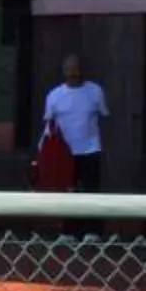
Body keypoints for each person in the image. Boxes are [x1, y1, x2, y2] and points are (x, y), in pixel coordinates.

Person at [42, 54, 109, 192]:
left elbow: (104, 116)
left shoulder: (95, 91)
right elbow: (49, 126)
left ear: (82, 70)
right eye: (69, 69)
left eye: (76, 69)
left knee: (92, 192)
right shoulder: (54, 95)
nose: (73, 73)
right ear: (64, 71)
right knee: (65, 191)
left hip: (90, 150)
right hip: (64, 152)